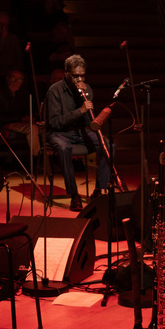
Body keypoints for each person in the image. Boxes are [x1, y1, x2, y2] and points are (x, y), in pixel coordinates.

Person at [46, 54, 114, 212]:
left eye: (82, 76)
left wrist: (86, 100)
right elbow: (55, 122)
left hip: (80, 131)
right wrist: (80, 110)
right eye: (76, 76)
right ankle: (74, 195)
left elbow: (88, 121)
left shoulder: (86, 89)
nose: (79, 79)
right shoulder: (54, 91)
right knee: (64, 148)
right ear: (67, 74)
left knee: (109, 146)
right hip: (59, 132)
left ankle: (99, 190)